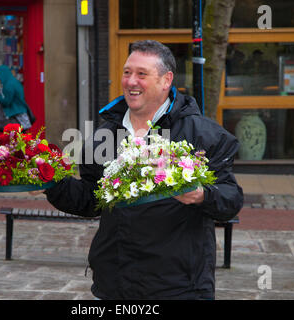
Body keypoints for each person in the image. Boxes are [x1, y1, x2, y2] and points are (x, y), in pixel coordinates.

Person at [43, 40, 243, 299]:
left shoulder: (203, 135)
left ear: (166, 80)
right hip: (116, 282)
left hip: (179, 285)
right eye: (127, 72)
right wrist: (51, 182)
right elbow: (90, 199)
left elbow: (231, 198)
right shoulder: (106, 134)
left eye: (141, 74)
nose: (131, 81)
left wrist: (202, 195)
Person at [0, 65, 32, 131]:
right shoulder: (14, 82)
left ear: (3, 75)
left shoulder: (9, 85)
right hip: (20, 116)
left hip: (16, 117)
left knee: (15, 138)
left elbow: (6, 102)